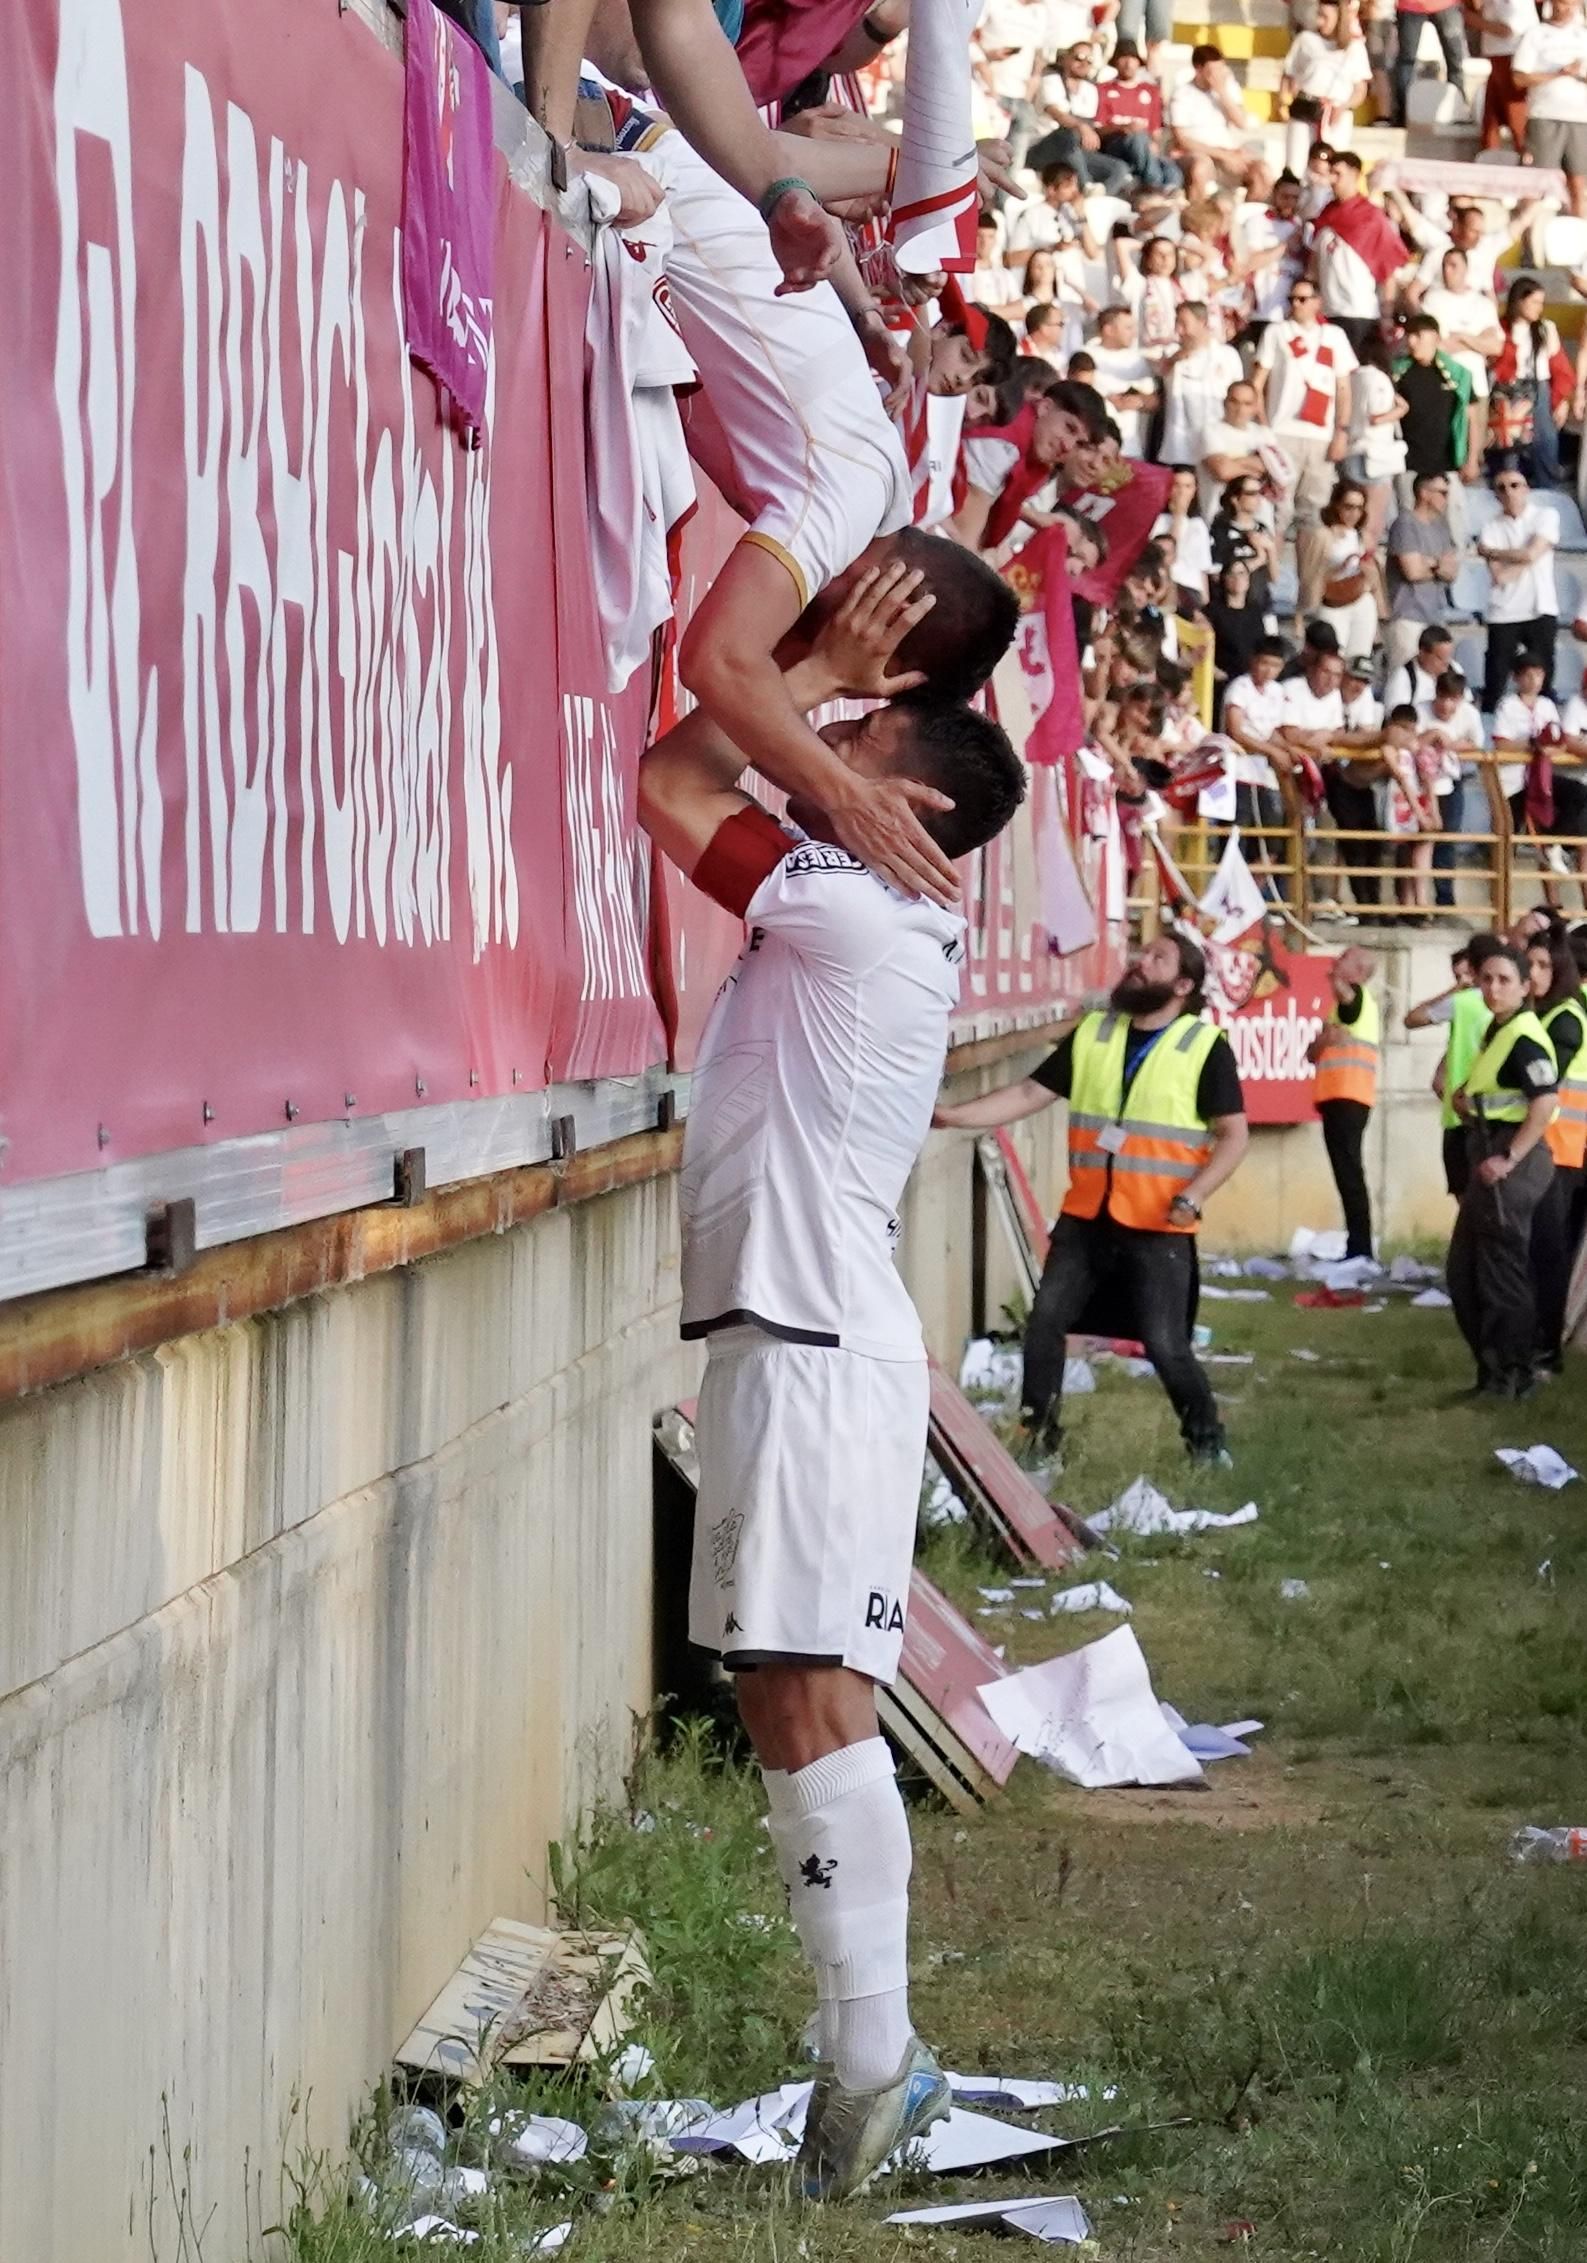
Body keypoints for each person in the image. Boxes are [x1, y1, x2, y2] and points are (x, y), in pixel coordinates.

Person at [638, 567, 1028, 2200]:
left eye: (856, 740)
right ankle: (869, 2054)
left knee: (802, 1695)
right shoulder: (861, 896)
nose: (821, 747)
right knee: (790, 1692)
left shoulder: (853, 900)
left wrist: (791, 672)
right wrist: (815, 699)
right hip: (798, 1339)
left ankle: (873, 2063)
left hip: (808, 1347)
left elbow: (673, 781)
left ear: (908, 799)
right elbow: (709, 771)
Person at [932, 931, 1250, 1463]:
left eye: (1158, 958)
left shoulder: (1204, 1046)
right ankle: (1037, 1436)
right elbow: (1029, 1093)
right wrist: (952, 1117)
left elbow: (1233, 1135)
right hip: (1086, 1216)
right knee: (1044, 1323)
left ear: (1183, 985)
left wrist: (1195, 1195)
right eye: (1143, 952)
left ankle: (1207, 1443)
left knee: (1165, 1344)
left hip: (1158, 1223)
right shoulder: (1095, 1033)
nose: (1140, 961)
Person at [1447, 943, 1560, 1397]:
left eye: (1504, 980)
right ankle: (1493, 1373)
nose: (1492, 988)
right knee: (1465, 1272)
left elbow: (1544, 1103)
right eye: (1486, 979)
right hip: (1488, 1148)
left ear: (1524, 986)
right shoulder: (1499, 1030)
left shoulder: (1524, 1036)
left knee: (1499, 1275)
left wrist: (1508, 1157)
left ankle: (1513, 1376)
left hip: (1511, 1160)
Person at [1254, 278, 1358, 615]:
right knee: (1278, 512)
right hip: (1282, 431)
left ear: (1317, 302)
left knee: (1314, 516)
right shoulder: (1277, 333)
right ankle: (1269, 589)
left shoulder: (1334, 336)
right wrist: (1264, 428)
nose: (1296, 304)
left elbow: (1344, 388)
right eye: (1292, 299)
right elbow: (1258, 383)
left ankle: (1308, 598)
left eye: (1302, 299)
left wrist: (1341, 431)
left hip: (1320, 435)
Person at [1526, 925, 1587, 1369]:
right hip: (1558, 1145)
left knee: (1552, 1251)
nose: (1532, 973)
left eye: (1542, 965)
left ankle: (1548, 1348)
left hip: (1562, 1147)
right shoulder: (1553, 1013)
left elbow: (1543, 1084)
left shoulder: (1567, 1017)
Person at [1406, 931, 1509, 1195]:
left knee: (1466, 1197)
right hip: (1499, 1116)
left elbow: (1412, 1019)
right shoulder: (1514, 1005)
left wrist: (1455, 990)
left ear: (1472, 969)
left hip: (1460, 1113)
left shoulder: (1462, 1002)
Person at [1309, 945, 1381, 1257]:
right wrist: (1324, 1039)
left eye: (1345, 958)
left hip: (1351, 1096)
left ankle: (1360, 1248)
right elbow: (1311, 1053)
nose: (1337, 960)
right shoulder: (1336, 1009)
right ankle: (1356, 1244)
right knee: (1345, 1174)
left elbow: (1345, 994)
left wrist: (1333, 975)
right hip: (1333, 1097)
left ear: (1360, 973)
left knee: (1351, 1174)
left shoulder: (1358, 998)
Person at [1310, 152, 1414, 355]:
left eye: (1338, 174)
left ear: (1355, 174)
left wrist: (1386, 314)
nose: (1332, 180)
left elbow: (1388, 268)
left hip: (1358, 312)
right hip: (1327, 311)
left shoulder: (1371, 216)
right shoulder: (1326, 214)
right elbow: (1314, 264)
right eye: (1330, 173)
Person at [1479, 467, 1560, 712]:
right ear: (1496, 495)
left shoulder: (1546, 515)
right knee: (1495, 682)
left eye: (1514, 485)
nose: (1509, 491)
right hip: (1504, 611)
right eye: (1501, 487)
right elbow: (1500, 576)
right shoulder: (1490, 526)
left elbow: (1530, 555)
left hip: (1540, 606)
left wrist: (1494, 552)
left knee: (1543, 680)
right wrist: (1526, 556)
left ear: (1526, 489)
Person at [1223, 632, 1296, 887]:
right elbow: (1237, 732)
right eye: (1264, 663)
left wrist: (1287, 749)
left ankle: (1251, 891)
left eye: (1275, 665)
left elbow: (1272, 731)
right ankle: (1231, 891)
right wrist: (1272, 752)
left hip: (1263, 776)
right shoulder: (1239, 688)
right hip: (1238, 773)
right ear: (1254, 660)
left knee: (1271, 842)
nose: (1268, 671)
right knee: (1236, 838)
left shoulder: (1277, 692)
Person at [1421, 249, 1504, 469]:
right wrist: (1477, 341)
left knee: (1473, 450)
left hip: (1476, 384)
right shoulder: (1433, 300)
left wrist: (1460, 337)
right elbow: (1436, 346)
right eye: (1445, 265)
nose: (1448, 270)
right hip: (1444, 383)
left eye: (1453, 265)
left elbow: (1495, 346)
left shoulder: (1483, 304)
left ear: (1466, 269)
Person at [1391, 315, 1472, 526]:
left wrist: (1471, 458)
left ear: (1435, 337)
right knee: (1410, 524)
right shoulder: (1397, 372)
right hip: (1408, 464)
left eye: (1418, 335)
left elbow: (1469, 415)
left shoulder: (1456, 374)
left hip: (1446, 463)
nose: (1412, 341)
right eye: (1409, 335)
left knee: (1454, 527)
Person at [1491, 275, 1570, 486]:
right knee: (1509, 443)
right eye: (1534, 302)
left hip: (1538, 388)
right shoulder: (1500, 328)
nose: (1539, 308)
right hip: (1507, 390)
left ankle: (1547, 486)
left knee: (1545, 440)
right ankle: (1509, 487)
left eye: (1541, 303)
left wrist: (1561, 399)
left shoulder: (1545, 328)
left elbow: (1559, 365)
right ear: (1518, 301)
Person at [1513, 0, 1587, 221]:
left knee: (1578, 182)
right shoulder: (1536, 35)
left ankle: (1580, 234)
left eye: (1571, 4)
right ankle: (1527, 234)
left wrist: (1577, 74)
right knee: (1537, 182)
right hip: (1545, 116)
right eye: (1562, 3)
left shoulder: (1583, 36)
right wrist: (1558, 74)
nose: (1566, 9)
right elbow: (1519, 77)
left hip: (1580, 118)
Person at [1385, 470, 1460, 674]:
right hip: (1407, 616)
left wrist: (1429, 563)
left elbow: (1452, 572)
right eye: (1442, 493)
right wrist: (1438, 565)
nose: (1446, 498)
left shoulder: (1441, 527)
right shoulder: (1405, 524)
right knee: (1404, 677)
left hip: (1435, 617)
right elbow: (1412, 572)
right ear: (1424, 493)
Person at [1280, 0, 1372, 161]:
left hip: (1336, 113)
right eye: (1318, 15)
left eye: (1325, 17)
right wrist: (1285, 99)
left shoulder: (1355, 47)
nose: (1319, 21)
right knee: (1296, 161)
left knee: (1332, 162)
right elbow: (1289, 74)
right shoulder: (1305, 40)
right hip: (1306, 107)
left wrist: (1343, 106)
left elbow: (1360, 89)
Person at [1344, 329, 1409, 546]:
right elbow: (1377, 416)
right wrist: (1400, 411)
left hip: (1352, 450)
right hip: (1375, 455)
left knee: (1353, 517)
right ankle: (1365, 557)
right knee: (1372, 520)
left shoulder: (1352, 377)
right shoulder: (1378, 379)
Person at [1161, 301, 1244, 470]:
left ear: (1203, 322)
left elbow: (1240, 396)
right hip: (1181, 449)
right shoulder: (1171, 354)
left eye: (1184, 323)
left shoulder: (1228, 355)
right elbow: (1162, 367)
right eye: (1177, 323)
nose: (1179, 330)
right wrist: (1180, 355)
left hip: (1219, 448)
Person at [1096, 42, 1183, 191]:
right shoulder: (1102, 90)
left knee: (1171, 170)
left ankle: (1171, 194)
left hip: (1145, 148)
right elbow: (1097, 129)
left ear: (1138, 63)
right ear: (1115, 62)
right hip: (1115, 146)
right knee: (1136, 137)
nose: (1128, 63)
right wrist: (1122, 128)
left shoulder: (1151, 91)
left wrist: (1153, 143)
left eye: (1133, 58)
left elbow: (1156, 131)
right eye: (1123, 58)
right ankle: (1155, 186)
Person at [1168, 45, 1260, 186]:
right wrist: (1224, 155)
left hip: (1227, 151)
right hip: (1199, 153)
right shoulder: (1182, 95)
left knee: (1261, 172)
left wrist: (1222, 92)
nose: (1218, 75)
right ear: (1199, 69)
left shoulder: (1227, 89)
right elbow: (1182, 140)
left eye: (1220, 69)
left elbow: (1241, 122)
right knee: (1200, 169)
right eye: (1213, 71)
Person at [1200, 378, 1289, 521]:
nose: (1240, 409)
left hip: (1261, 519)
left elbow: (1278, 472)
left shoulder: (1264, 434)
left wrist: (1234, 462)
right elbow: (1223, 471)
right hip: (1220, 517)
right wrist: (1259, 466)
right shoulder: (1210, 431)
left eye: (1247, 403)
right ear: (1225, 402)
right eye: (1234, 402)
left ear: (1255, 407)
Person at [1314, 478, 1379, 655]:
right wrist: (1341, 567)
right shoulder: (1324, 534)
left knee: (1360, 656)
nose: (1354, 514)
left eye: (1359, 508)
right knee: (1332, 654)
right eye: (1348, 507)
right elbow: (1312, 574)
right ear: (1337, 506)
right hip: (1332, 601)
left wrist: (1369, 571)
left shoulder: (1363, 536)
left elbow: (1374, 579)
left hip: (1361, 597)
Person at [1088, 305, 1161, 454]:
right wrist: (1109, 400)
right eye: (1128, 328)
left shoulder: (1138, 360)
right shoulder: (1087, 356)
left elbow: (1154, 401)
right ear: (1109, 330)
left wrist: (1140, 401)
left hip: (1132, 449)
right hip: (1096, 446)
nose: (1134, 333)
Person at [1391, 0, 1470, 125]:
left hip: (1426, 5)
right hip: (1422, 5)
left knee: (1407, 62)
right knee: (1454, 61)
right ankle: (1402, 113)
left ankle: (1403, 114)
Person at [1480, 0, 1540, 148]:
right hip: (1502, 50)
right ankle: (1516, 149)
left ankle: (1520, 151)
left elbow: (1506, 30)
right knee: (1502, 110)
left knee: (1508, 109)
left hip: (1517, 48)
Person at [1154, 467, 1215, 606]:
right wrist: (1178, 516)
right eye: (1177, 485)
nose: (1181, 492)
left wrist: (1205, 602)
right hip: (1168, 585)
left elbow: (1202, 568)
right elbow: (1167, 554)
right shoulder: (1158, 521)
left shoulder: (1198, 525)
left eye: (1187, 486)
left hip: (1192, 589)